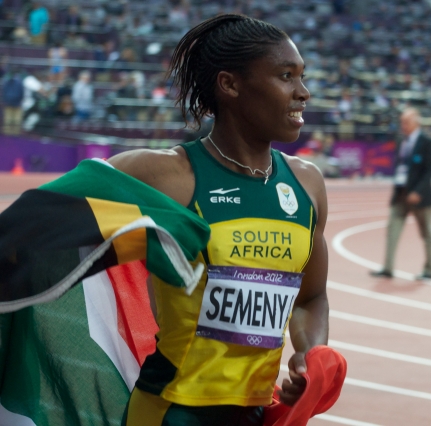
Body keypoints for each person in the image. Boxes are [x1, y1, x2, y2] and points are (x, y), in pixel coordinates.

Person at [108, 14, 329, 425]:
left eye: (302, 76)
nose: (303, 92)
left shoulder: (306, 184)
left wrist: (308, 353)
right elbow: (53, 211)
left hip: (254, 412)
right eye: (286, 76)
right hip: (172, 411)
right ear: (229, 84)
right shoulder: (167, 175)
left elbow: (310, 298)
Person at [370, 107, 431, 280]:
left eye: (406, 122)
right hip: (400, 194)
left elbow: (429, 171)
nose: (403, 125)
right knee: (392, 231)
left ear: (416, 123)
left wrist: (418, 191)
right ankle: (388, 268)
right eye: (402, 122)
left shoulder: (427, 142)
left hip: (419, 197)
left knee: (427, 234)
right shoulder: (401, 141)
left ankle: (429, 270)